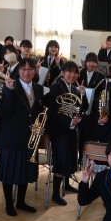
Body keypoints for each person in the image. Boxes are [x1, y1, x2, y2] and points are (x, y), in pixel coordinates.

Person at [0, 58, 45, 216]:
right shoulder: (10, 85)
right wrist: (9, 90)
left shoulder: (39, 88)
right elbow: (6, 111)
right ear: (18, 71)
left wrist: (40, 123)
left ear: (35, 71)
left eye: (30, 69)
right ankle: (9, 203)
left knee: (25, 170)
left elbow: (39, 110)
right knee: (9, 172)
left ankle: (21, 202)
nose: (26, 73)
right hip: (12, 136)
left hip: (29, 138)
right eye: (23, 69)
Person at [46, 61, 88, 205]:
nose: (72, 75)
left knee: (70, 157)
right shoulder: (55, 87)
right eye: (69, 71)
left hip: (72, 129)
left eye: (75, 72)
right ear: (63, 73)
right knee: (61, 160)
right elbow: (52, 112)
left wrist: (83, 94)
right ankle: (55, 194)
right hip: (59, 130)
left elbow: (83, 108)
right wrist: (69, 122)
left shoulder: (75, 89)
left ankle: (67, 184)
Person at [78, 52, 106, 159]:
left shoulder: (101, 76)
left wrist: (93, 96)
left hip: (93, 110)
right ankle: (80, 158)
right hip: (81, 109)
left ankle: (91, 158)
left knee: (91, 135)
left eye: (94, 62)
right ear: (85, 62)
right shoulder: (79, 74)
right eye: (89, 61)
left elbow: (102, 93)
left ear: (97, 64)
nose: (91, 64)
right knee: (81, 134)